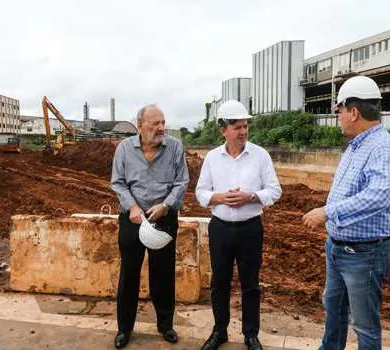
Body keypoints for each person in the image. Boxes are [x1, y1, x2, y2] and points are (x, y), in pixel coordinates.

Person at [301, 76, 390, 350]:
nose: (338, 117)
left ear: (353, 112)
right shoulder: (356, 147)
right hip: (338, 249)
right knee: (334, 311)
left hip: (366, 254)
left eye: (339, 111)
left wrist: (328, 211)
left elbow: (379, 195)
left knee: (364, 325)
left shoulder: (384, 147)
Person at [196, 100, 282, 350]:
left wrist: (251, 196)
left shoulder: (260, 155)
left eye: (245, 126)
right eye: (237, 127)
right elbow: (201, 192)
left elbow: (274, 190)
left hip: (250, 229)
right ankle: (219, 331)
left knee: (250, 284)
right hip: (220, 228)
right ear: (223, 130)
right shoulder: (212, 158)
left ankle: (250, 334)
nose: (243, 132)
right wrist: (220, 197)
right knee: (219, 283)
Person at [110, 104, 189, 349]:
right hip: (132, 220)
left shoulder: (175, 147)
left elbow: (182, 181)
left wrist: (166, 205)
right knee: (129, 274)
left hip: (163, 218)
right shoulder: (124, 149)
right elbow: (118, 182)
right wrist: (132, 207)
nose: (161, 128)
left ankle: (165, 325)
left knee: (163, 274)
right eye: (155, 123)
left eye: (163, 122)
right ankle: (125, 329)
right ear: (140, 125)